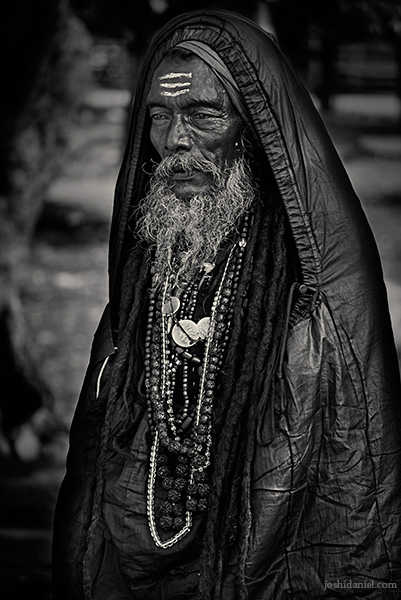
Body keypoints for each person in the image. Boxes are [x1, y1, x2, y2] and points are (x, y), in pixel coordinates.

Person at [52, 10, 401, 600]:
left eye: (204, 113)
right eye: (159, 117)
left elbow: (347, 479)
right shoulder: (149, 257)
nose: (176, 140)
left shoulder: (305, 284)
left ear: (253, 127)